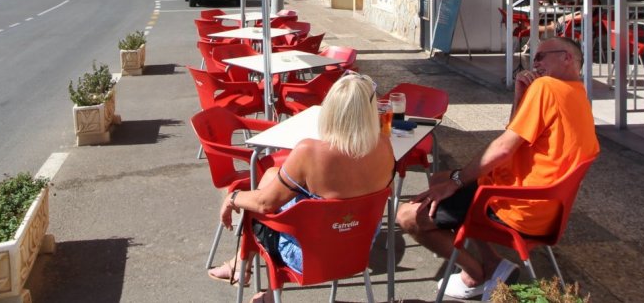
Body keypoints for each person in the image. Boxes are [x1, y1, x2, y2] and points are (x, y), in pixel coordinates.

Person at [397, 36, 599, 299]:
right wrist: (520, 96)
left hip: (515, 207)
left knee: (408, 216)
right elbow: (516, 133)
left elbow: (504, 147)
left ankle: (475, 272)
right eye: (532, 57)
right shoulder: (577, 93)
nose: (534, 63)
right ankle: (493, 262)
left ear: (567, 58)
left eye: (540, 57)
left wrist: (457, 182)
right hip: (546, 209)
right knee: (438, 178)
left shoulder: (547, 87)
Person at [209, 74, 395, 302]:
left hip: (308, 257)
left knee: (255, 211)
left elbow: (265, 204)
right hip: (357, 249)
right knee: (270, 177)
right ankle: (242, 267)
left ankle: (245, 268)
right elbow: (386, 192)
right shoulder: (386, 146)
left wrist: (233, 197)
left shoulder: (309, 151)